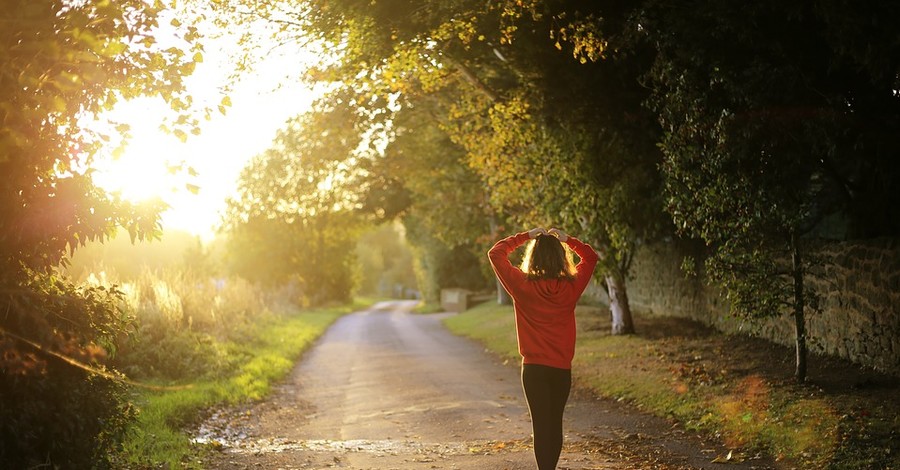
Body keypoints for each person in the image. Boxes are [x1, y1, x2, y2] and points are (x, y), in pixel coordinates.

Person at [488, 227, 599, 470]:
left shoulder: (522, 285)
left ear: (533, 256)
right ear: (561, 257)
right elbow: (591, 258)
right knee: (555, 423)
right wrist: (568, 240)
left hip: (533, 370)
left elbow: (496, 253)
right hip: (561, 370)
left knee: (541, 426)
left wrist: (525, 236)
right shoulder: (571, 287)